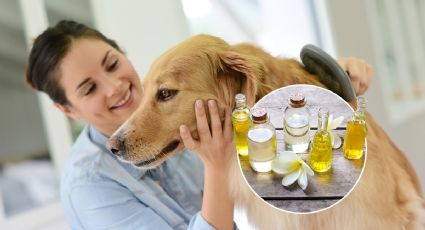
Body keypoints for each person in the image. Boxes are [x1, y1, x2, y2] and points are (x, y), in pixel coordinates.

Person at [25, 20, 373, 230]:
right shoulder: (88, 186)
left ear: (124, 53)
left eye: (112, 64)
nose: (115, 86)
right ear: (67, 110)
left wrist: (332, 80)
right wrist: (216, 165)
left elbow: (281, 117)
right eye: (89, 88)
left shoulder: (189, 106)